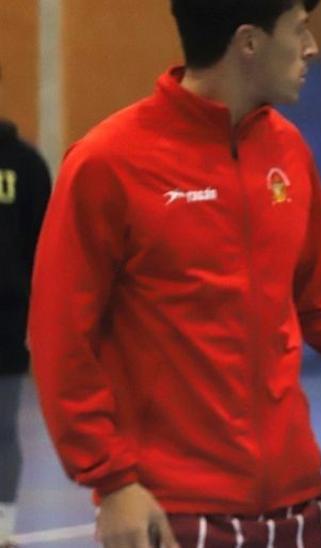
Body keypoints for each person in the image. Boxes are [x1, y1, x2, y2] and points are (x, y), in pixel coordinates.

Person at [28, 2, 321, 546]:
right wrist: (112, 481)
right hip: (172, 508)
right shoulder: (107, 161)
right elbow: (59, 337)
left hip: (299, 502)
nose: (312, 48)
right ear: (249, 42)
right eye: (299, 29)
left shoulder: (288, 150)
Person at [0, 63, 53, 548]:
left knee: (1, 428)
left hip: (5, 321)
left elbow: (46, 247)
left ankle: (2, 528)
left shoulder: (25, 165)